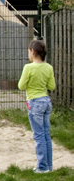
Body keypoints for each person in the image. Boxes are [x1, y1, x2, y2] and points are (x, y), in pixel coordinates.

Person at [18, 40, 56, 173]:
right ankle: (48, 166)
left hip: (34, 102)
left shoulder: (28, 67)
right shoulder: (49, 67)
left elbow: (21, 86)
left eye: (29, 51)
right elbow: (51, 86)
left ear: (32, 52)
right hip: (46, 101)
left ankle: (42, 167)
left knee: (38, 136)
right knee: (46, 134)